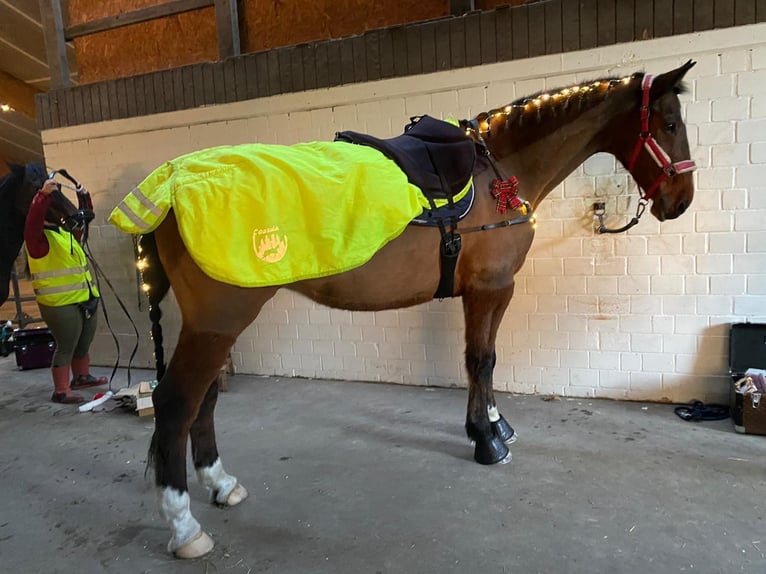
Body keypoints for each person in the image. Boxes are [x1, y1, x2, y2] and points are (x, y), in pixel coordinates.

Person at [24, 175, 106, 404]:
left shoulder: (66, 235)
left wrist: (84, 196)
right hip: (60, 303)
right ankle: (61, 390)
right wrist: (43, 196)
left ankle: (81, 377)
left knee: (83, 341)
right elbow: (32, 221)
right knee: (67, 345)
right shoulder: (37, 239)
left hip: (84, 297)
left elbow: (84, 218)